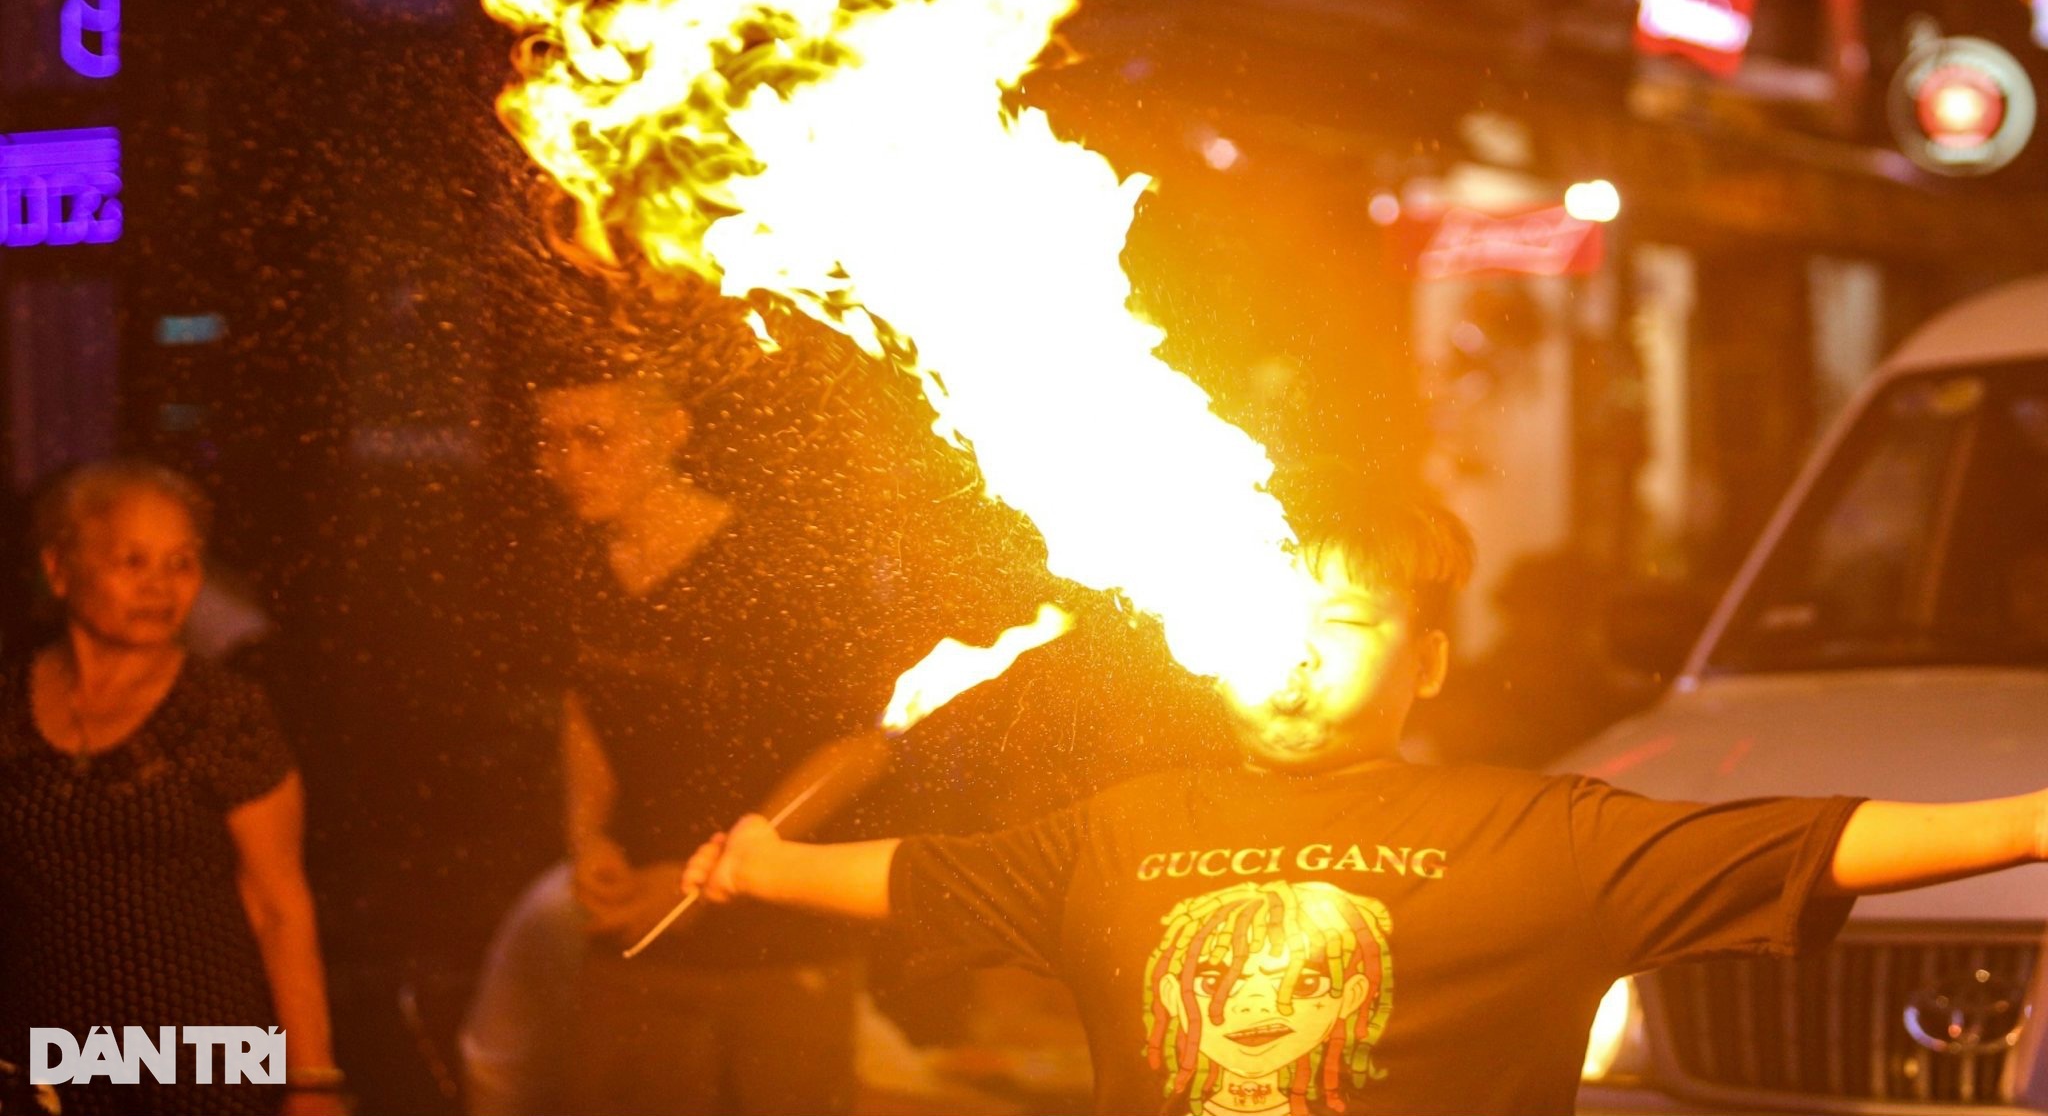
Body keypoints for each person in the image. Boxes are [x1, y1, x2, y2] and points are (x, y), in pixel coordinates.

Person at [681, 466, 2048, 1116]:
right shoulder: (1120, 828)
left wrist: (2033, 818)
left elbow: (1820, 843)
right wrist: (757, 863)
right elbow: (926, 874)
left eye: (1342, 622)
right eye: (1267, 612)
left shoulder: (1538, 835)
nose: (1292, 653)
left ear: (1429, 660)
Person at [463, 344, 885, 1116]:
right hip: (631, 949)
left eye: (596, 436)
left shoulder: (771, 567)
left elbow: (861, 742)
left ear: (670, 431)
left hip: (780, 956)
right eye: (551, 439)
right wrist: (587, 837)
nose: (568, 462)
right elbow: (584, 703)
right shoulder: (576, 562)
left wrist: (718, 872)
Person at [0, 461, 345, 1116]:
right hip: (46, 1068)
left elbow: (280, 906)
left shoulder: (225, 712)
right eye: (133, 561)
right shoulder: (6, 704)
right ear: (59, 568)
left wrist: (312, 1083)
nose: (161, 586)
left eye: (182, 562)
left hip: (201, 1065)